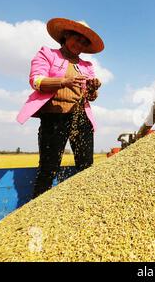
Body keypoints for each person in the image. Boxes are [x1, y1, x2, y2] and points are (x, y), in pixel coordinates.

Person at [17, 18, 104, 198]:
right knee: (49, 168)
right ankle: (37, 209)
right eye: (76, 38)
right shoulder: (48, 54)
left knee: (86, 166)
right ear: (65, 35)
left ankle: (83, 205)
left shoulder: (86, 66)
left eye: (83, 42)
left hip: (81, 119)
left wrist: (93, 89)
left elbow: (90, 97)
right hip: (54, 117)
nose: (79, 44)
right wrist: (63, 81)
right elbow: (36, 81)